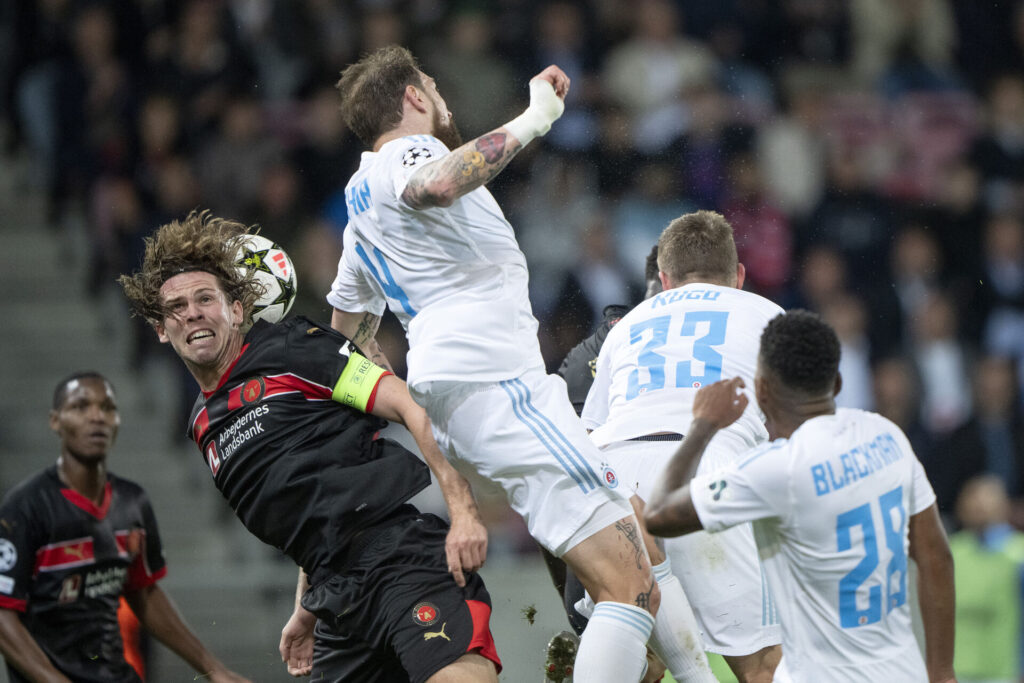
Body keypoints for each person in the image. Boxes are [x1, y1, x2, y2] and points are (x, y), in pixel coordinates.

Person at [328, 45, 708, 681]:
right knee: (628, 588)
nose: (440, 98)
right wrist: (536, 117)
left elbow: (346, 335)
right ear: (414, 98)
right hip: (499, 385)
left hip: (461, 397)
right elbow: (440, 182)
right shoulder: (408, 154)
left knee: (638, 552)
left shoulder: (357, 213)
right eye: (432, 86)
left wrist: (402, 398)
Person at [118, 212, 500, 683]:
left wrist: (463, 509)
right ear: (161, 328)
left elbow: (408, 406)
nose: (192, 312)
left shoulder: (296, 348)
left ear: (236, 310)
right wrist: (307, 606)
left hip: (398, 557)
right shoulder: (201, 424)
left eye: (205, 298)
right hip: (333, 595)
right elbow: (305, 509)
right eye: (176, 306)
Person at [645, 310, 957, 683]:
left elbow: (659, 513)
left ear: (761, 390)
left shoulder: (776, 470)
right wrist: (942, 673)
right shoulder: (886, 436)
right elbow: (936, 558)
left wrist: (702, 426)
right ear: (837, 382)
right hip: (902, 673)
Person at [581, 211, 783, 683]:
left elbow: (588, 433)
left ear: (665, 280)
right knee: (762, 666)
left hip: (615, 475)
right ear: (738, 276)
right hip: (709, 469)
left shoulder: (626, 326)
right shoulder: (767, 315)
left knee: (640, 662)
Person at [0, 372, 249, 683]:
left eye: (107, 408)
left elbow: (144, 593)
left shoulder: (132, 502)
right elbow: (3, 615)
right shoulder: (24, 507)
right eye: (80, 407)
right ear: (55, 421)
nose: (97, 417)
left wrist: (216, 670)